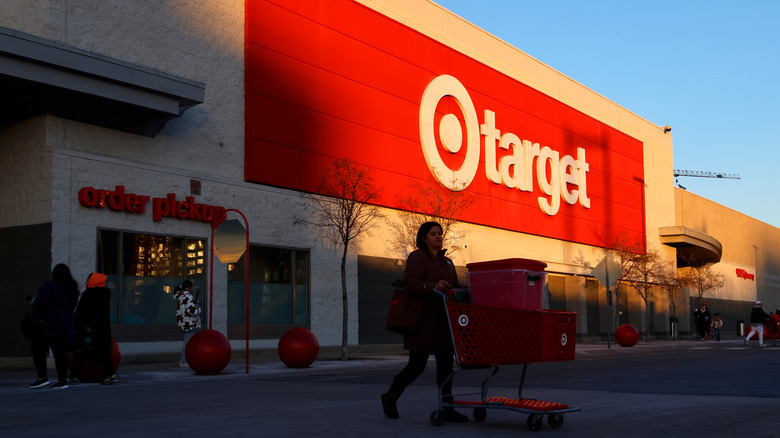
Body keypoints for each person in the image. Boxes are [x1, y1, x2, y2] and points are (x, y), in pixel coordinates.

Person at [380, 221, 468, 423]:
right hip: (422, 320)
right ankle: (391, 395)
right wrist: (432, 286)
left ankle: (447, 407)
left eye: (440, 233)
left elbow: (454, 286)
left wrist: (468, 287)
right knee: (416, 365)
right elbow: (411, 283)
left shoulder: (448, 262)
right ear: (423, 238)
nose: (438, 236)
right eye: (433, 234)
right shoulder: (417, 257)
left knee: (446, 366)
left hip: (444, 320)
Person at [29, 263, 79, 389]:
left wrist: (33, 302)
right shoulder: (72, 288)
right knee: (60, 354)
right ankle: (62, 380)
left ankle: (42, 377)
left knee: (38, 349)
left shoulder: (50, 286)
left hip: (49, 324)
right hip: (65, 326)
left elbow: (41, 303)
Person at [69, 273, 117, 385]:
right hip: (102, 329)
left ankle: (75, 375)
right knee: (100, 353)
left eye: (87, 279)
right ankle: (74, 375)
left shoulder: (88, 294)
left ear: (92, 280)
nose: (86, 282)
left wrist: (76, 325)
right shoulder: (105, 294)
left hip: (89, 329)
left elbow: (80, 313)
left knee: (84, 352)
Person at [174, 280, 201, 367]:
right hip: (190, 322)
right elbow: (191, 311)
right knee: (188, 342)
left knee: (188, 341)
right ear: (187, 288)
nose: (192, 288)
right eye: (191, 287)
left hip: (184, 322)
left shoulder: (181, 296)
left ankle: (186, 360)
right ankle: (184, 361)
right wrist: (199, 309)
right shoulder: (188, 296)